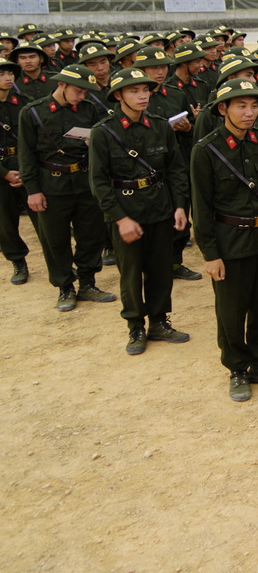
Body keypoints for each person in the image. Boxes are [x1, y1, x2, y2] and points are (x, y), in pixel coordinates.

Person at [190, 78, 258, 402]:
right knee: (232, 310)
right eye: (241, 105)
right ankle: (237, 368)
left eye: (254, 106)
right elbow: (202, 206)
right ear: (223, 109)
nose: (249, 113)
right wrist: (210, 253)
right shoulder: (205, 150)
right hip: (229, 241)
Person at [88, 68, 191, 355]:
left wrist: (180, 206)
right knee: (131, 272)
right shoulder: (103, 132)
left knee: (160, 268)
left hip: (159, 206)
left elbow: (176, 169)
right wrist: (120, 219)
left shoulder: (159, 126)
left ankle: (159, 321)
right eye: (134, 91)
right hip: (125, 209)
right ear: (118, 95)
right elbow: (98, 181)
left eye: (145, 90)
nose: (143, 95)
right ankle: (135, 326)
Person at [18, 64, 115, 311]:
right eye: (79, 91)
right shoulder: (33, 113)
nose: (82, 96)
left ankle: (87, 282)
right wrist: (32, 190)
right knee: (55, 239)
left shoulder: (90, 110)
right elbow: (26, 155)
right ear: (62, 85)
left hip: (84, 183)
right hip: (51, 185)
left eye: (86, 92)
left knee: (90, 234)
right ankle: (65, 287)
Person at [0, 59, 32, 285]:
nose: (8, 77)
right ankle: (17, 260)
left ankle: (57, 263)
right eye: (2, 74)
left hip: (25, 165)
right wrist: (4, 173)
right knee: (5, 221)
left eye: (10, 73)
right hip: (1, 171)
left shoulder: (24, 103)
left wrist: (25, 169)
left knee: (43, 219)